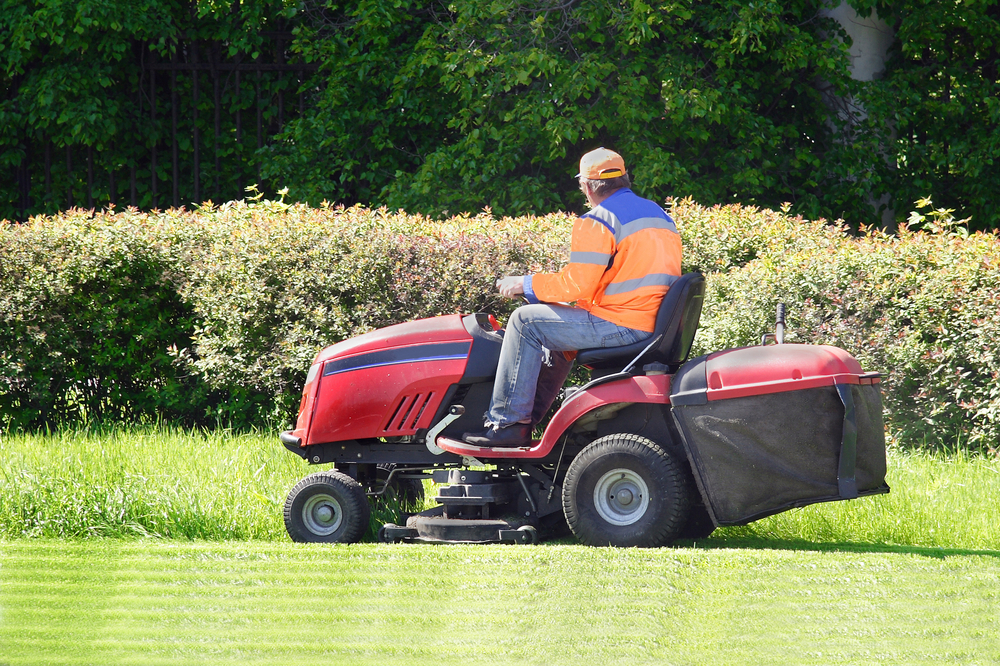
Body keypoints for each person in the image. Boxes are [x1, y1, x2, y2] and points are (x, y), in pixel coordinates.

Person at [462, 147, 683, 447]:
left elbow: (576, 285)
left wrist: (525, 284)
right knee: (548, 320)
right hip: (649, 322)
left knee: (525, 322)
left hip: (621, 324)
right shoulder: (659, 216)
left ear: (588, 187)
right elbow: (612, 282)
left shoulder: (599, 220)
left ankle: (507, 423)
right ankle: (529, 423)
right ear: (625, 180)